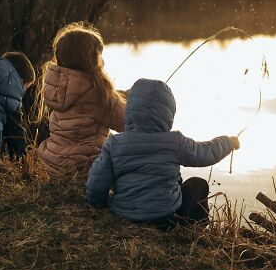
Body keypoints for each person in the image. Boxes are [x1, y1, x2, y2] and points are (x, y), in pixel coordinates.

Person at [85, 79, 240, 228]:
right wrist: (229, 142)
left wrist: (98, 204)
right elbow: (206, 153)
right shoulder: (175, 142)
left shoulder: (114, 143)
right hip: (166, 219)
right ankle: (196, 226)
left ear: (130, 108)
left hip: (124, 214)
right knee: (198, 184)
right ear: (169, 113)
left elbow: (97, 181)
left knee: (176, 181)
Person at [36, 22, 126, 176]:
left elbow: (82, 108)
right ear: (92, 59)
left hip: (54, 164)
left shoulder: (56, 86)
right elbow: (125, 122)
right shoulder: (98, 91)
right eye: (99, 54)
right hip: (85, 166)